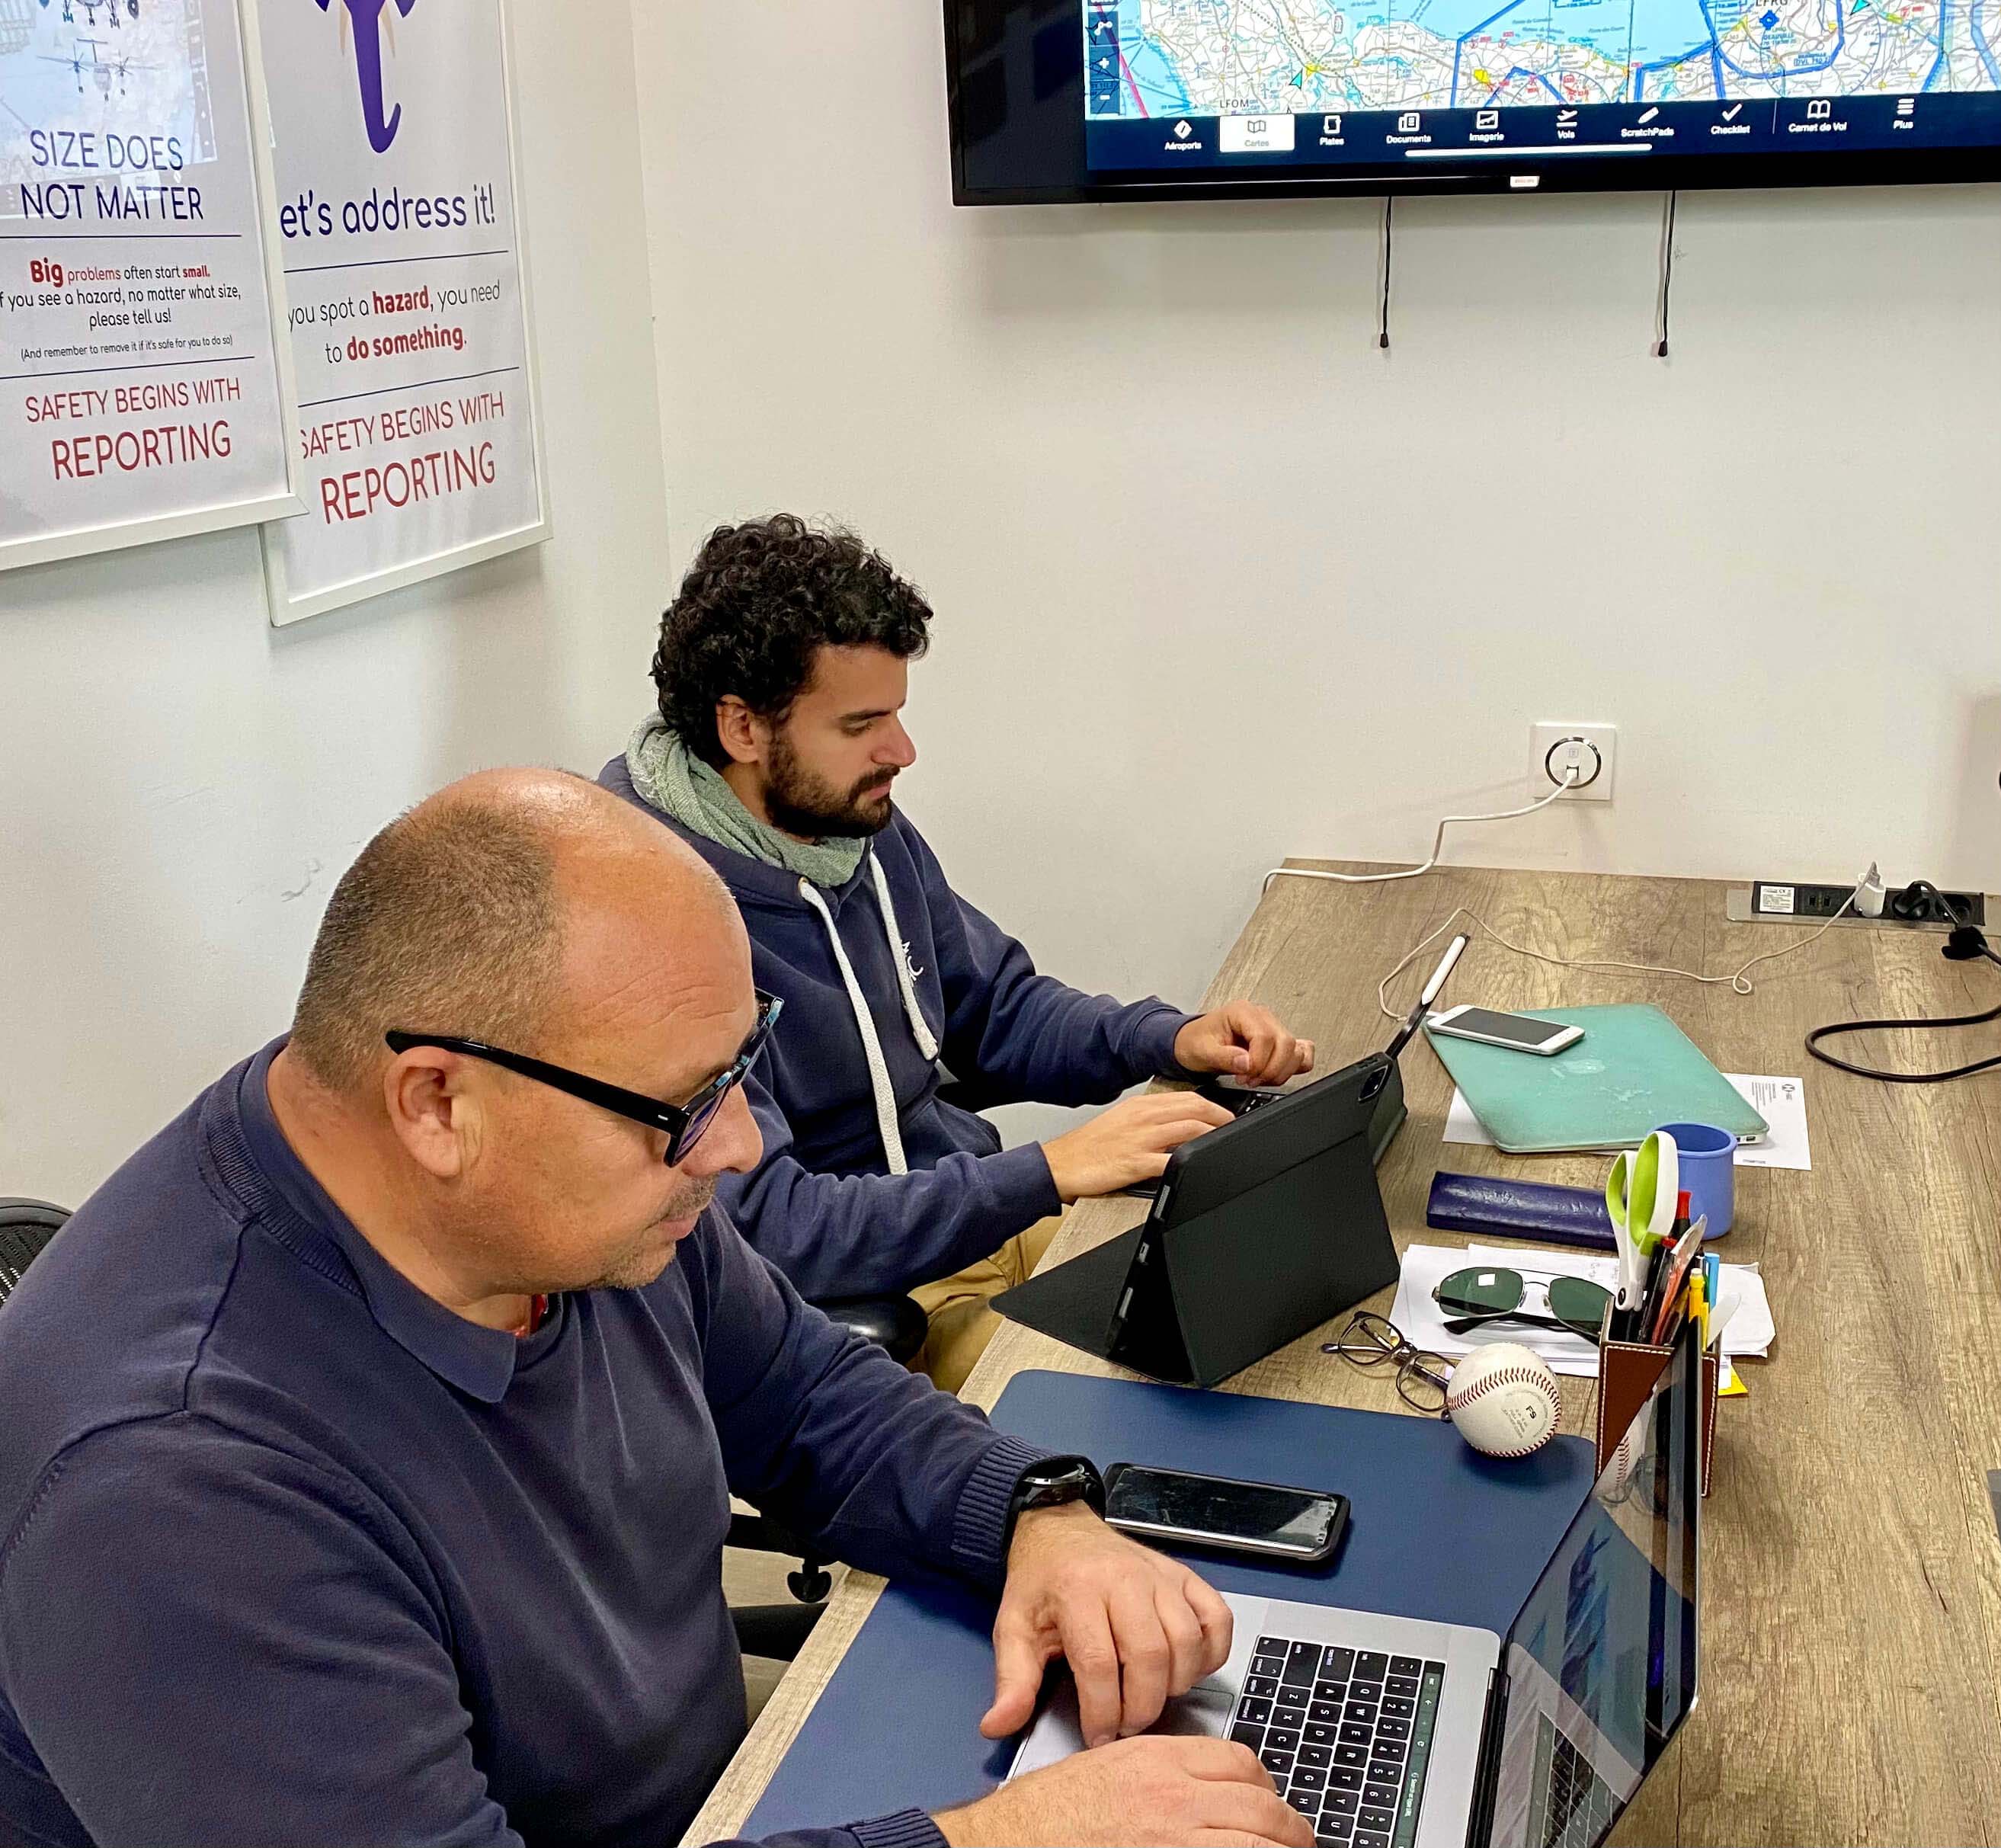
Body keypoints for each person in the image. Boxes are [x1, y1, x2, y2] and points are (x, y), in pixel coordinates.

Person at [0, 771, 1314, 1848]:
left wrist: (1037, 1518)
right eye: (689, 1105)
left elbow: (803, 1391)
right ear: (438, 1104)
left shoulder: (574, 1196)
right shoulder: (174, 1492)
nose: (738, 1145)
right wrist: (997, 1845)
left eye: (741, 1069)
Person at [603, 516, 1316, 1389]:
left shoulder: (842, 825)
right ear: (743, 727)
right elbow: (776, 1227)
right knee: (1162, 1401)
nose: (900, 752)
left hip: (978, 1220)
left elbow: (991, 1010)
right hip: (860, 1304)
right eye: (862, 723)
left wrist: (1167, 1038)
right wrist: (1048, 1170)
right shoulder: (650, 923)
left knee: (1269, 1291)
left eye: (897, 715)